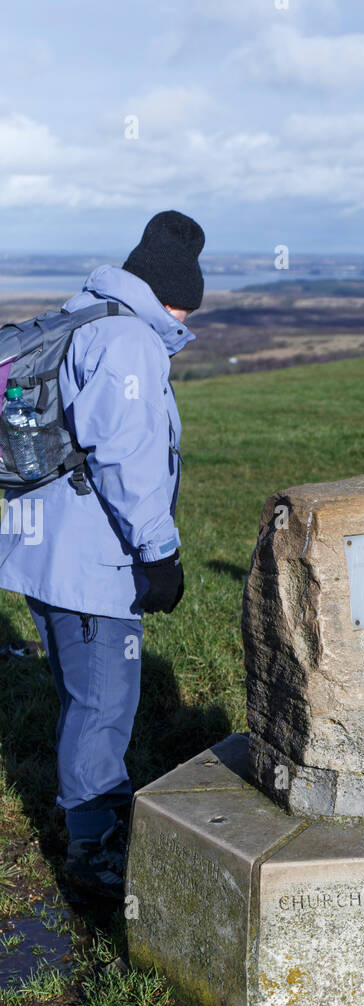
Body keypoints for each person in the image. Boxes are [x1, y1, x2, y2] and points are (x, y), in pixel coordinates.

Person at [0, 210, 205, 899]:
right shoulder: (129, 341)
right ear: (171, 294)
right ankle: (95, 856)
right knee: (102, 704)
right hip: (89, 564)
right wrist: (159, 554)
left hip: (43, 550)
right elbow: (129, 456)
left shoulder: (84, 318)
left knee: (80, 692)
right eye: (185, 302)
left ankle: (86, 815)